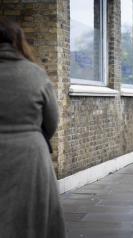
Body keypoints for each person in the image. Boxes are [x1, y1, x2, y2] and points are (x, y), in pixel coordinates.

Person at [0, 17, 66, 238]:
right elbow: (52, 121)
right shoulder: (35, 74)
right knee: (32, 217)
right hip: (31, 156)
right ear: (18, 41)